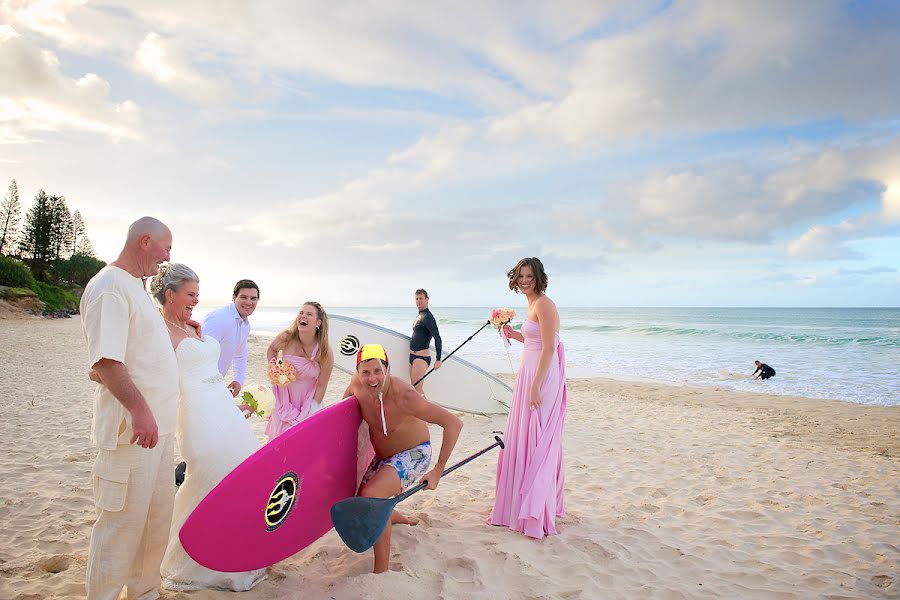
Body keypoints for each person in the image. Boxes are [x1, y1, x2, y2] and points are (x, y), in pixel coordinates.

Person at [80, 216, 181, 600]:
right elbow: (106, 362)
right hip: (130, 432)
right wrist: (140, 410)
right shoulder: (109, 287)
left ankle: (145, 592)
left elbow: (142, 352)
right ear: (144, 242)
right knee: (121, 525)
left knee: (154, 522)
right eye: (166, 247)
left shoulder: (138, 289)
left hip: (159, 432)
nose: (167, 257)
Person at [152, 263, 266, 591]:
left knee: (242, 467)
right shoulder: (159, 331)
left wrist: (235, 390)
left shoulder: (193, 326)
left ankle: (235, 552)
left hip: (222, 406)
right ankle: (192, 559)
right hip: (196, 412)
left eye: (198, 295)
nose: (196, 301)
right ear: (170, 294)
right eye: (190, 294)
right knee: (207, 475)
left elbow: (218, 360)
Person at [342, 344, 463, 573]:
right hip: (383, 456)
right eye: (365, 372)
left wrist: (438, 469)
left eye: (378, 371)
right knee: (358, 497)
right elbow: (343, 408)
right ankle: (393, 516)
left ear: (387, 369)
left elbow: (453, 423)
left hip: (415, 453)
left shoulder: (405, 396)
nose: (372, 378)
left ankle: (382, 570)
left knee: (373, 496)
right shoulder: (356, 384)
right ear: (358, 372)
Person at [488, 257, 567, 539]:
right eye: (521, 276)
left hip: (541, 375)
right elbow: (534, 341)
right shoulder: (531, 303)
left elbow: (548, 348)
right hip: (530, 370)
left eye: (529, 276)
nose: (524, 281)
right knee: (524, 434)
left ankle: (536, 506)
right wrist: (514, 334)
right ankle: (523, 499)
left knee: (537, 437)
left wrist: (536, 385)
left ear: (538, 277)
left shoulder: (545, 304)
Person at [265, 301, 335, 440]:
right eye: (301, 313)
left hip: (308, 401)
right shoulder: (287, 337)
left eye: (309, 314)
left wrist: (312, 410)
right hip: (285, 398)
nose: (303, 316)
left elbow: (322, 384)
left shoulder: (324, 350)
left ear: (318, 323)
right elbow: (272, 350)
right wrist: (275, 367)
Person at [202, 279, 260, 398]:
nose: (249, 302)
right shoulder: (219, 319)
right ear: (234, 298)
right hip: (201, 383)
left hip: (214, 383)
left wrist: (238, 379)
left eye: (253, 298)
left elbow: (240, 354)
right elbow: (200, 353)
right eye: (244, 297)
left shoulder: (245, 324)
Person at [409, 288, 442, 395]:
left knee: (417, 391)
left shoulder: (428, 317)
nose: (418, 301)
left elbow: (437, 337)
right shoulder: (420, 315)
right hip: (413, 357)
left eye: (421, 298)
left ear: (427, 299)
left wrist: (438, 359)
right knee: (415, 389)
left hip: (421, 358)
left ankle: (428, 411)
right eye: (416, 299)